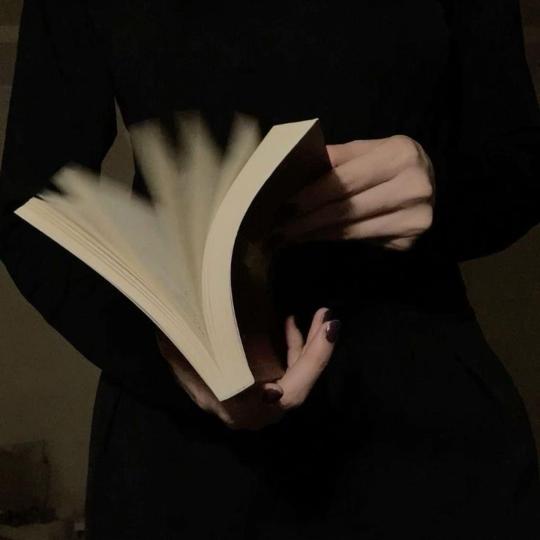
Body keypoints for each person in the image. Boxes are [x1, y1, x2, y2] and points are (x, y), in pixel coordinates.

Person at [1, 0, 539, 538]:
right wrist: (159, 353)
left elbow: (518, 168)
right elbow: (29, 207)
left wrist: (439, 189)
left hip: (422, 424)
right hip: (182, 447)